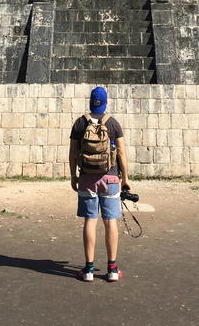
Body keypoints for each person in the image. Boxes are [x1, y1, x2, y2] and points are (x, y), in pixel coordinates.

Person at [69, 86, 131, 282]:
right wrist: (126, 179)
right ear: (105, 103)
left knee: (90, 221)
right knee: (110, 221)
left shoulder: (80, 123)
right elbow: (121, 153)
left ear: (90, 102)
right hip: (110, 178)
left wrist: (73, 175)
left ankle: (88, 269)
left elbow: (72, 153)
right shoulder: (113, 124)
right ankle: (112, 269)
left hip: (87, 178)